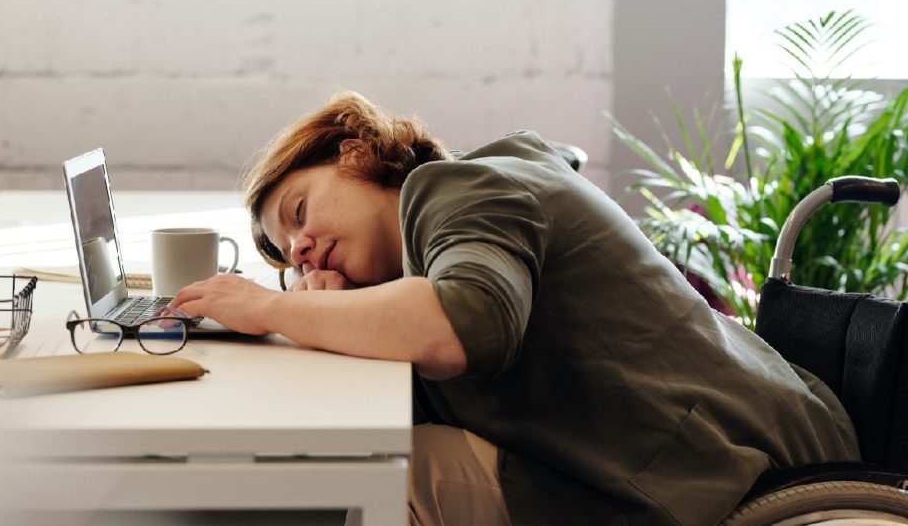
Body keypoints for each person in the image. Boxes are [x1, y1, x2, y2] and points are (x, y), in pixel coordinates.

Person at [169, 91, 860, 526]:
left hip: (720, 469)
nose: (300, 249)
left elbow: (465, 324)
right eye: (289, 256)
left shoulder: (458, 189)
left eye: (299, 212)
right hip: (685, 450)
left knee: (379, 474)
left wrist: (270, 308)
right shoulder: (448, 221)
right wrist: (334, 316)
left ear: (354, 155)